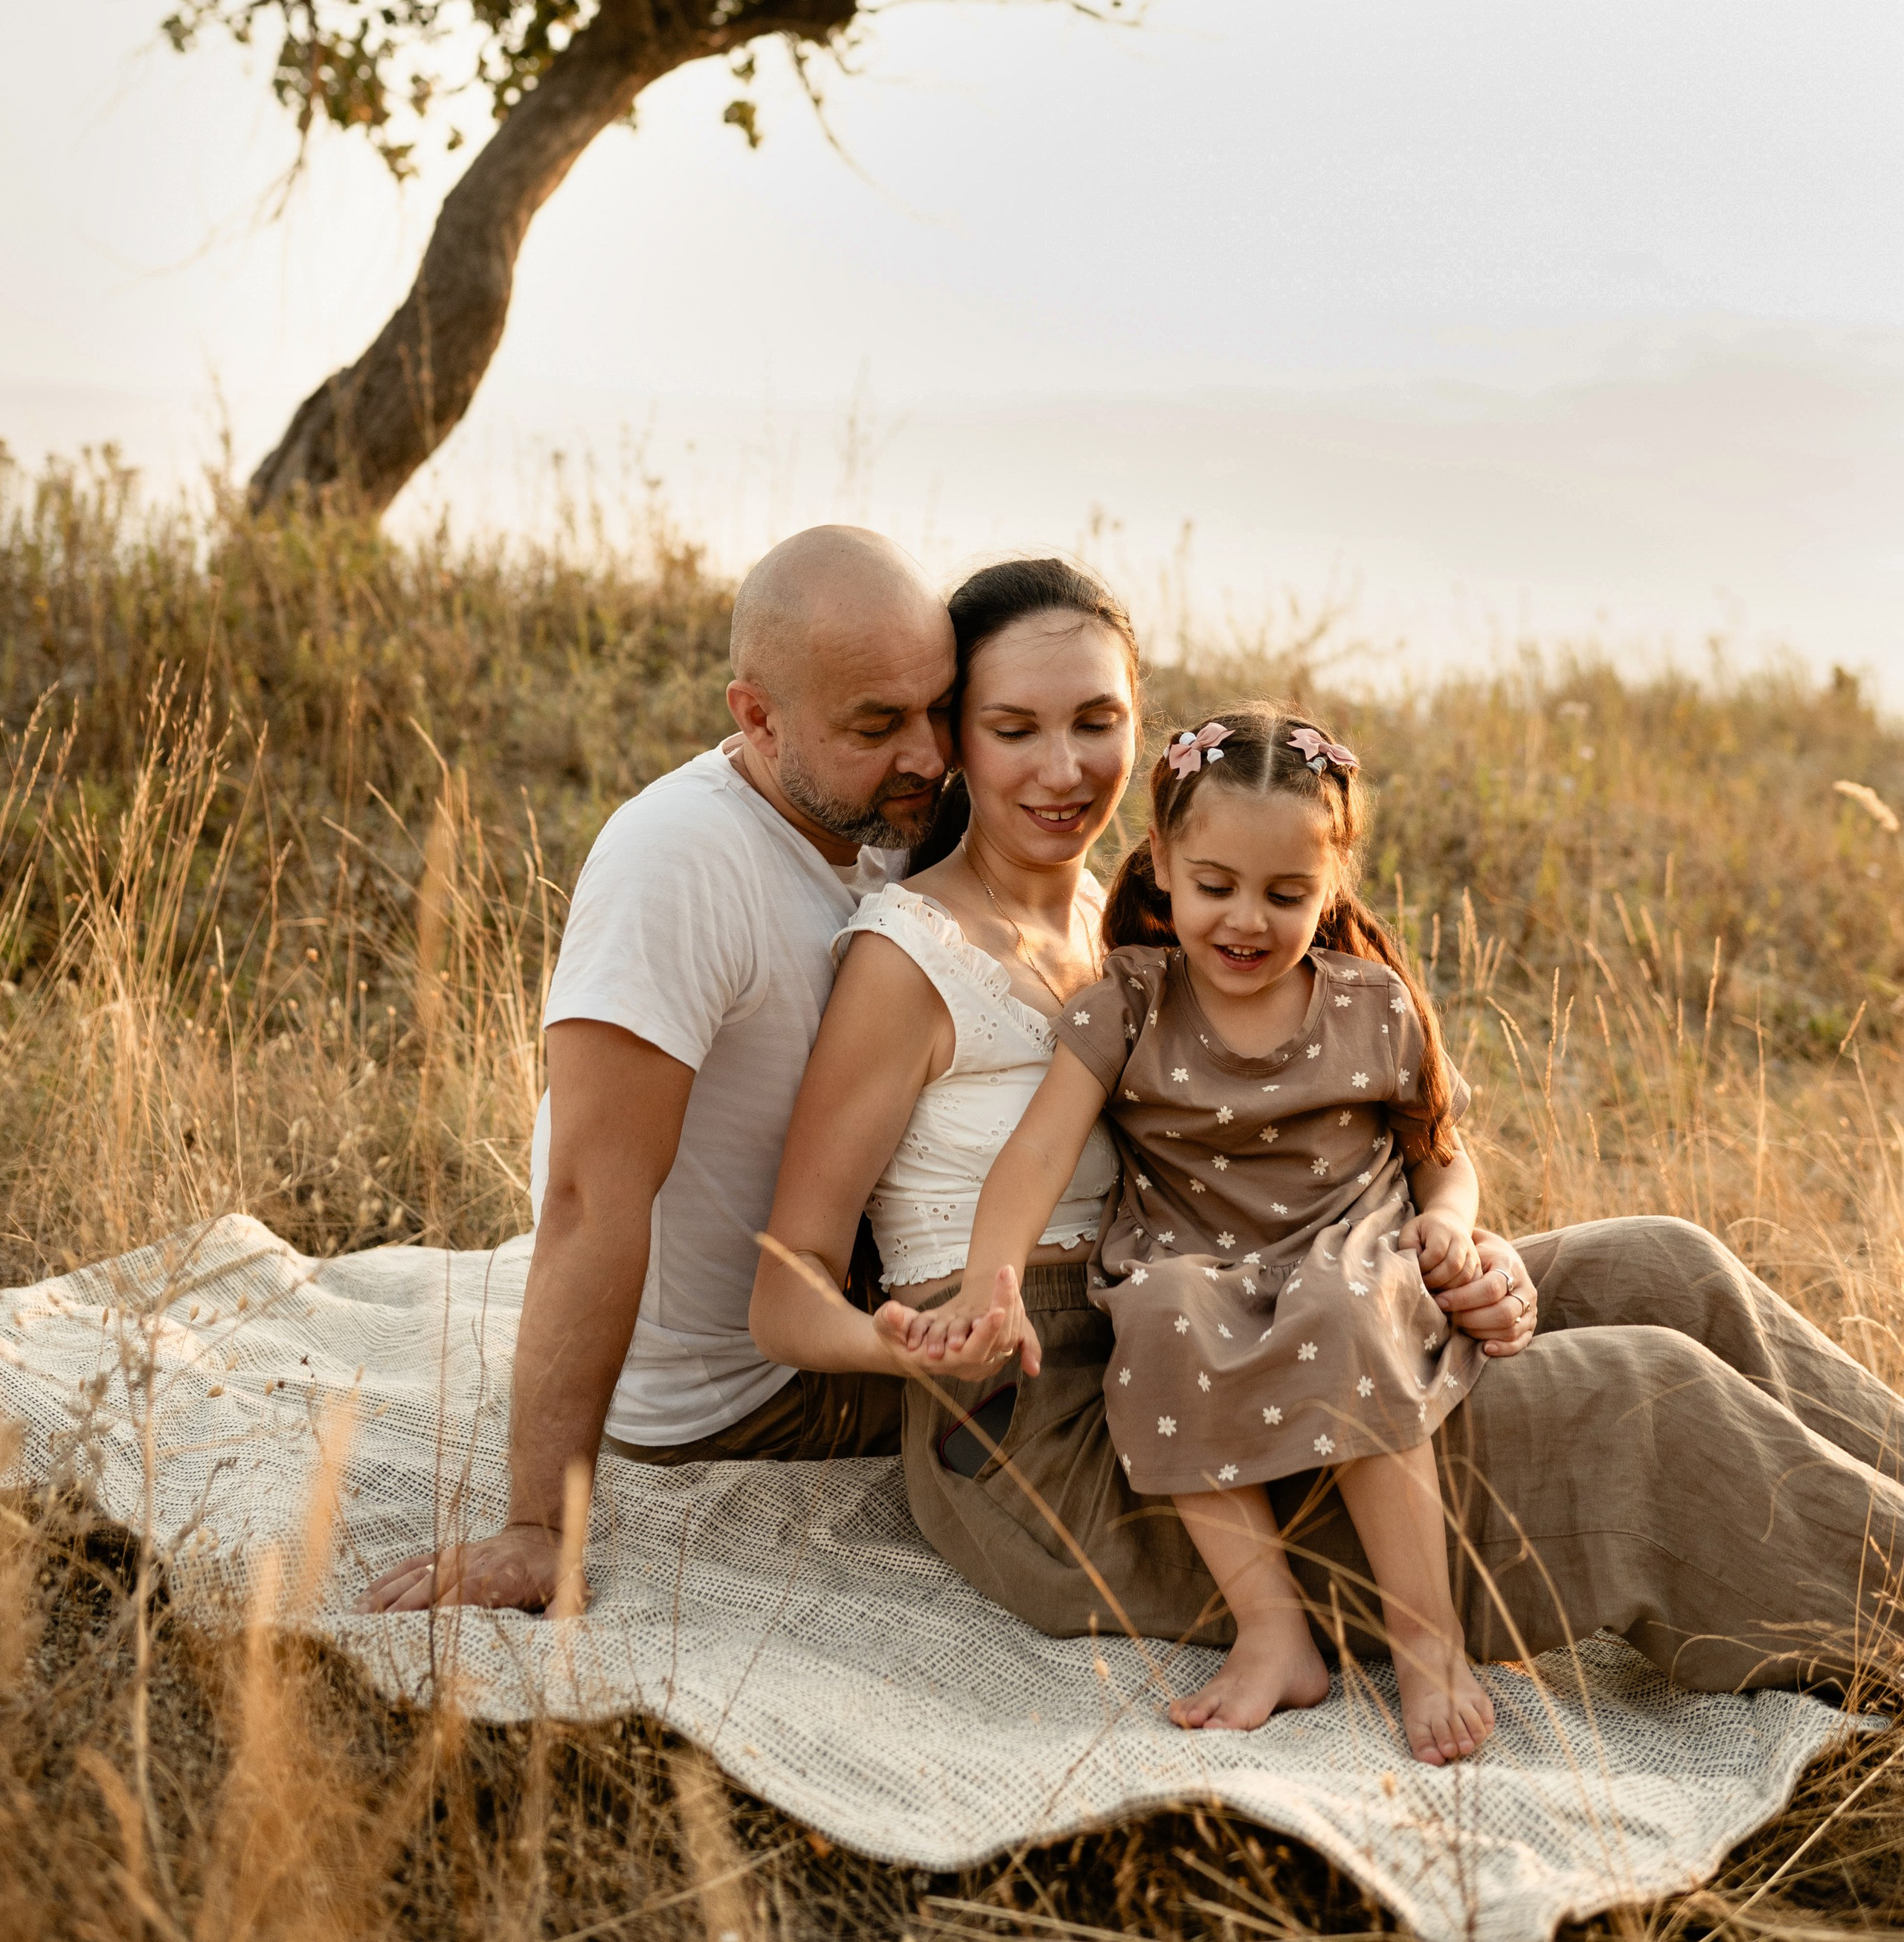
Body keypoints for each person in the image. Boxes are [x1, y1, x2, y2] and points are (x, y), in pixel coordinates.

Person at [755, 561, 1904, 1708]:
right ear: (957, 738)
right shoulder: (909, 958)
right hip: (1061, 1427)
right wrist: (909, 1343)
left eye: (1097, 721)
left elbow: (1323, 1150)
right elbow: (784, 1280)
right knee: (1647, 1398)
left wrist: (1453, 1248)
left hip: (1243, 1306)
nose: (1064, 767)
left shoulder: (1147, 918)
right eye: (1015, 728)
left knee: (1669, 1264)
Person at [360, 524, 959, 1614]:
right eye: (878, 723)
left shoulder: (878, 813)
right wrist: (542, 1523)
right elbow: (591, 1193)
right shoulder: (681, 858)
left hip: (827, 1291)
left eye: (940, 707)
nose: (927, 751)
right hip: (752, 1389)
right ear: (758, 717)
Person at [889, 705, 1496, 1759]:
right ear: (1163, 861)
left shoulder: (1371, 1006)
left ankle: (1426, 1637)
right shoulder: (1130, 1001)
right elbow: (1035, 1152)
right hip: (1193, 1254)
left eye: (1286, 892)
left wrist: (1448, 1222)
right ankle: (1273, 1632)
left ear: (1334, 882)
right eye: (1216, 885)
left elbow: (1442, 1149)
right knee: (1159, 1322)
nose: (1247, 920)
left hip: (1344, 1239)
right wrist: (990, 1279)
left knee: (1347, 1310)